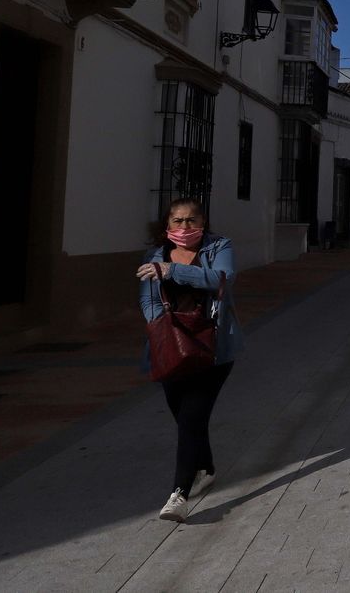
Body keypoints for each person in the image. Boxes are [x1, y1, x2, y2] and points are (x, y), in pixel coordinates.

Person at [136, 197, 244, 523]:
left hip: (214, 347)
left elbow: (222, 279)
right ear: (167, 225)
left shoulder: (218, 247)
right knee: (186, 418)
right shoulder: (152, 257)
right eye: (178, 221)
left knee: (191, 417)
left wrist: (173, 271)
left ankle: (179, 495)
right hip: (172, 347)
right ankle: (206, 468)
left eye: (191, 220)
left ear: (202, 222)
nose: (185, 227)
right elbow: (148, 302)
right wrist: (165, 331)